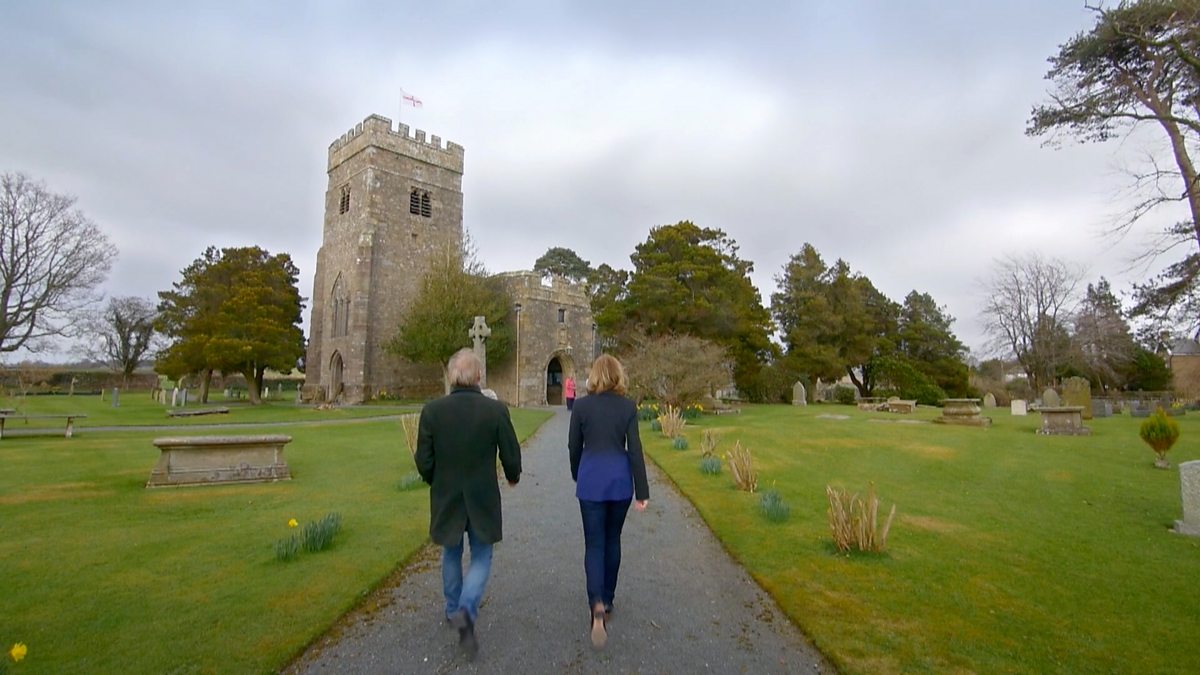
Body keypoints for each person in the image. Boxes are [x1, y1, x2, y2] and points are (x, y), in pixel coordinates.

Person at [415, 348, 522, 661]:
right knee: (482, 554)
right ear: (478, 376)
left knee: (451, 551)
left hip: (446, 493)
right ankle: (465, 608)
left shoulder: (433, 411)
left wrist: (435, 479)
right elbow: (510, 453)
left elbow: (424, 460)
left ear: (452, 376)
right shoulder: (495, 410)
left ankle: (453, 610)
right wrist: (513, 476)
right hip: (482, 494)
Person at [568, 354, 649, 649]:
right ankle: (608, 598)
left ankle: (596, 603)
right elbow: (635, 449)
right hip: (619, 482)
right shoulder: (627, 407)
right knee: (613, 539)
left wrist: (578, 472)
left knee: (594, 544)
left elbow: (574, 446)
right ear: (618, 375)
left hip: (591, 480)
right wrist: (642, 491)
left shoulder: (581, 406)